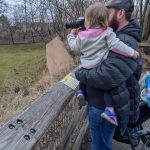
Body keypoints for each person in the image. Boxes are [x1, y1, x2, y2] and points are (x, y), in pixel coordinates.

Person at [75, 0, 142, 149]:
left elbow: (105, 76)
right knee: (102, 144)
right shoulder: (115, 36)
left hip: (102, 108)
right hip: (102, 105)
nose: (103, 16)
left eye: (108, 12)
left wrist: (79, 72)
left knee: (101, 146)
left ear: (121, 13)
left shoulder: (125, 41)